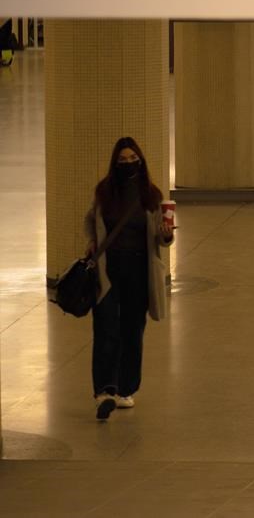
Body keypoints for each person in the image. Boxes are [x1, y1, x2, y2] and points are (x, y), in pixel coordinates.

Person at [84, 137, 173, 420]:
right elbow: (90, 221)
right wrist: (91, 242)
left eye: (132, 159)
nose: (128, 164)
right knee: (106, 329)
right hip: (108, 271)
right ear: (114, 163)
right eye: (122, 161)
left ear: (141, 161)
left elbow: (161, 237)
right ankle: (103, 391)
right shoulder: (104, 192)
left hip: (138, 270)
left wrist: (167, 234)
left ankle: (126, 388)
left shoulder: (152, 196)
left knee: (133, 330)